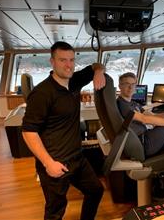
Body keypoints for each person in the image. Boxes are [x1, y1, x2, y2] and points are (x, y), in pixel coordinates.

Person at [22, 41, 105, 220]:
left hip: (77, 157)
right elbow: (28, 131)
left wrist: (98, 72)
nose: (68, 65)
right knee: (55, 211)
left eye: (71, 60)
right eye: (62, 60)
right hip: (55, 162)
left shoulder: (74, 80)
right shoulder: (42, 93)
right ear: (52, 62)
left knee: (96, 190)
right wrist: (48, 163)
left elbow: (97, 65)